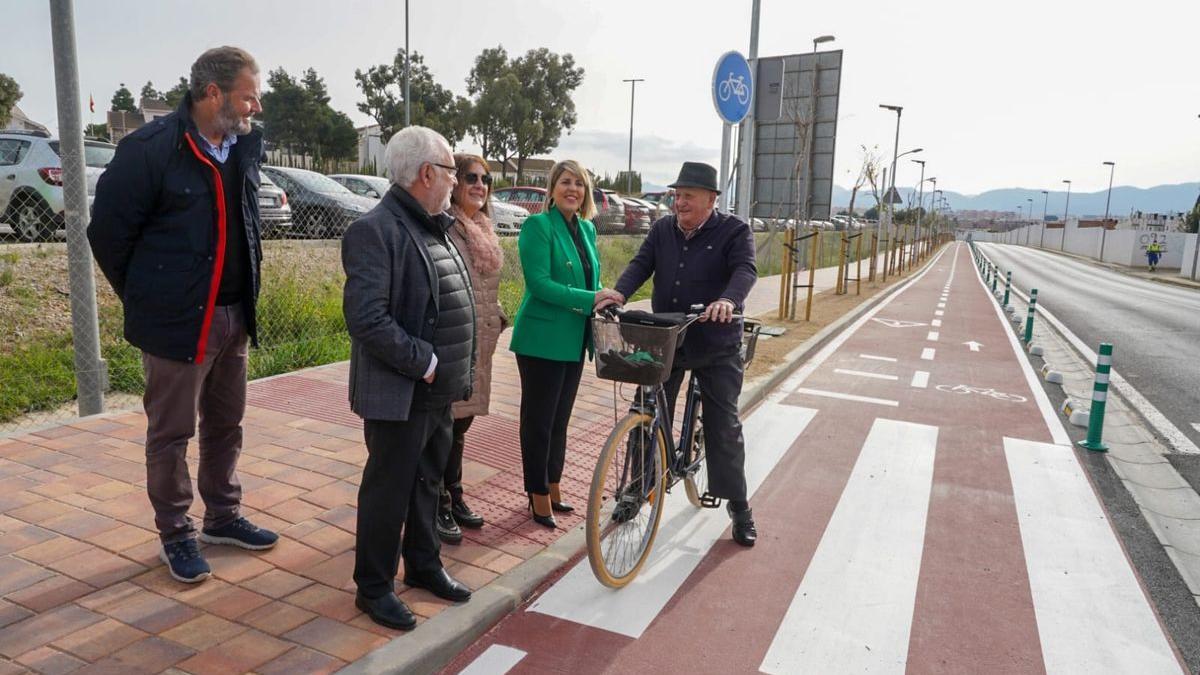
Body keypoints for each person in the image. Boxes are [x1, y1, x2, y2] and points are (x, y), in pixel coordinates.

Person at [88, 46, 278, 584]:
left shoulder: (242, 147)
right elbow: (107, 235)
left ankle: (223, 515)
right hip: (179, 324)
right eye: (247, 96)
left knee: (226, 423)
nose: (255, 107)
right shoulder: (150, 149)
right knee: (170, 435)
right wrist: (150, 299)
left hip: (234, 316)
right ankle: (176, 532)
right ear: (212, 93)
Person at [342, 126, 476, 630]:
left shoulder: (432, 225)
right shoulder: (375, 231)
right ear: (426, 174)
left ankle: (423, 565)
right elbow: (367, 318)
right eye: (450, 173)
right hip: (403, 392)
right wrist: (426, 361)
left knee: (426, 485)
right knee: (388, 490)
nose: (455, 183)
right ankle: (373, 588)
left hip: (436, 394)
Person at [596, 161, 759, 546]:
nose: (679, 202)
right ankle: (639, 487)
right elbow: (641, 264)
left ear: (711, 199)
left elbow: (746, 271)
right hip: (667, 337)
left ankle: (739, 506)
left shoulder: (735, 231)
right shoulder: (662, 229)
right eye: (676, 195)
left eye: (687, 195)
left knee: (723, 425)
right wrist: (620, 292)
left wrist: (727, 300)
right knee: (645, 410)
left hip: (717, 343)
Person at [509, 160, 617, 528]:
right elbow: (539, 284)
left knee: (560, 421)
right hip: (540, 340)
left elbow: (592, 277)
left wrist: (602, 299)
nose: (573, 189)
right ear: (553, 189)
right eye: (566, 182)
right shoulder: (538, 226)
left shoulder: (586, 229)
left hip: (573, 340)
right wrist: (591, 299)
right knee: (538, 422)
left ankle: (553, 486)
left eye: (580, 184)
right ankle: (537, 495)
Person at [436, 153, 506, 544]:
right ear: (455, 184)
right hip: (456, 342)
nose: (480, 185)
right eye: (471, 178)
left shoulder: (483, 227)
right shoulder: (447, 228)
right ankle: (439, 503)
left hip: (480, 340)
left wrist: (496, 316)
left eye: (485, 179)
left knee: (461, 425)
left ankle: (456, 495)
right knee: (444, 427)